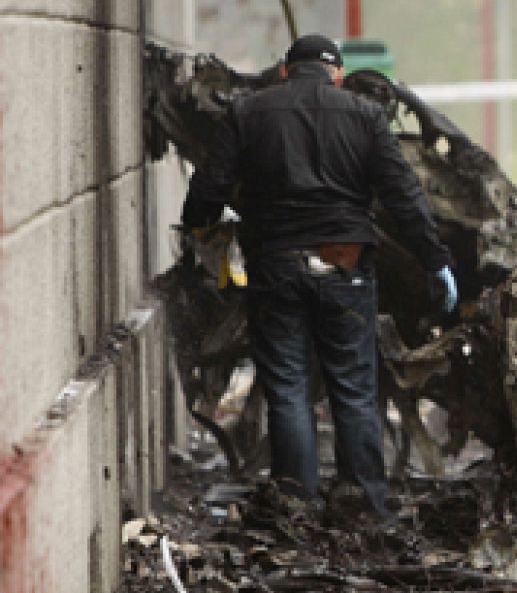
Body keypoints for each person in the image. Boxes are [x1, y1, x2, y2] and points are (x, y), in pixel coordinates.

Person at [181, 33, 458, 524]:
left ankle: (297, 506)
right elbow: (403, 196)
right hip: (344, 263)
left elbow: (208, 187)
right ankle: (367, 507)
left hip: (275, 264)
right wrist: (434, 260)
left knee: (287, 386)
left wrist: (200, 228)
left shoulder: (248, 112)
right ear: (336, 73)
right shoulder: (366, 115)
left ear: (287, 70)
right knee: (352, 387)